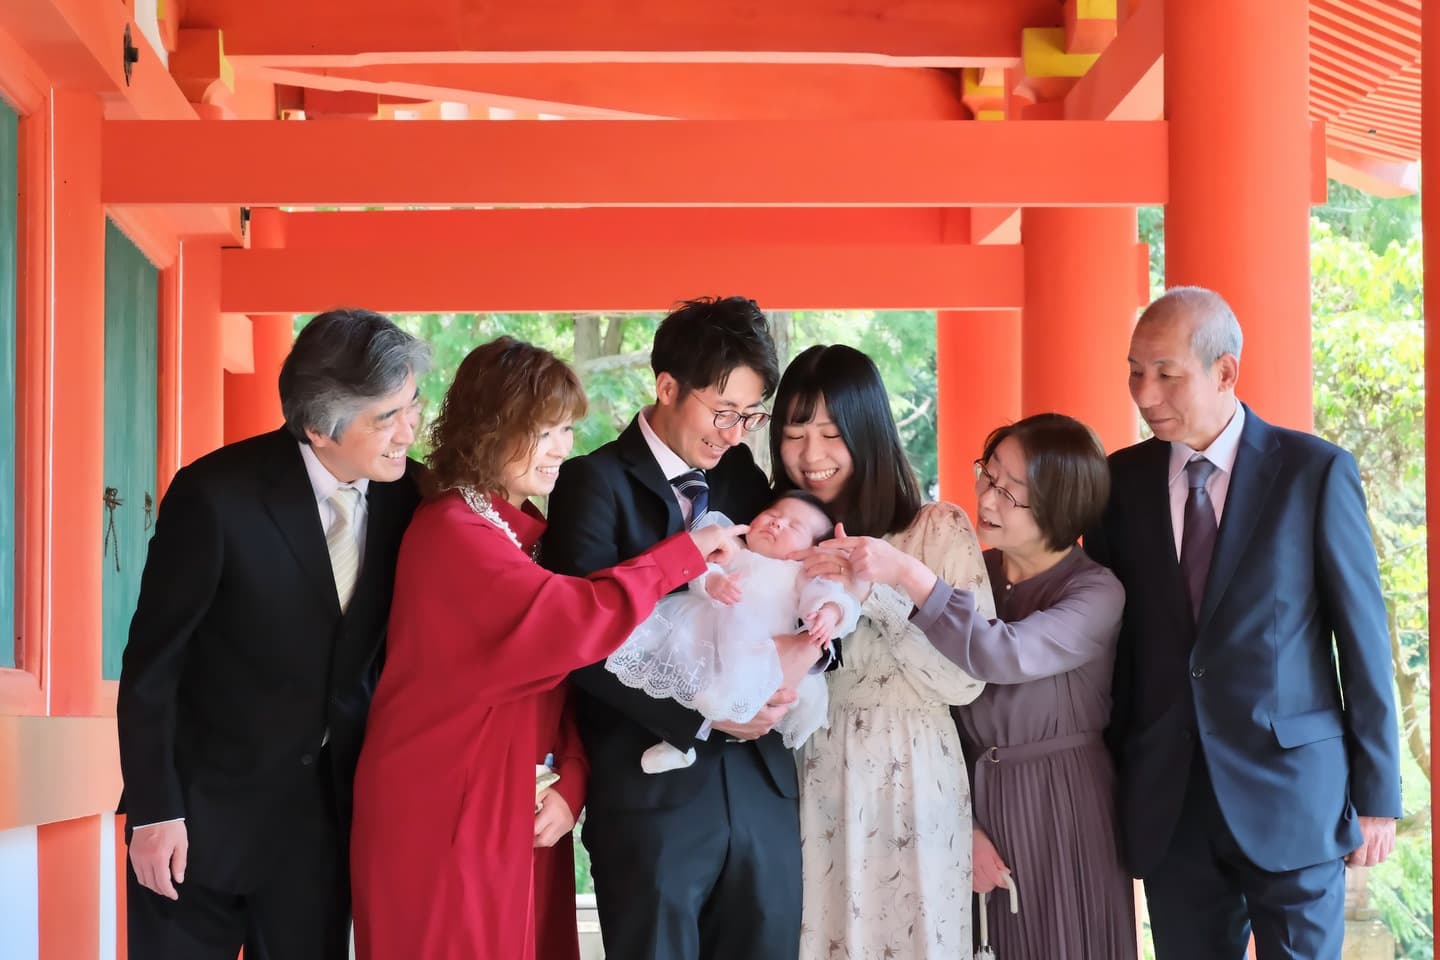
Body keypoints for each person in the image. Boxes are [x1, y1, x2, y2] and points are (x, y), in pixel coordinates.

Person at [348, 337, 741, 960]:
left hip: (513, 803)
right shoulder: (454, 532)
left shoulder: (517, 533)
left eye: (566, 429)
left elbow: (559, 678)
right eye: (546, 430)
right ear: (492, 427)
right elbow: (574, 618)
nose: (563, 448)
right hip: (440, 808)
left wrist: (574, 784)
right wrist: (684, 554)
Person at [1085, 286, 1402, 959]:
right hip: (1170, 799)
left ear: (1225, 372)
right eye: (1135, 371)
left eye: (1166, 374)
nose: (1144, 395)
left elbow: (1363, 640)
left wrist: (1377, 795)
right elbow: (1112, 646)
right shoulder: (1119, 484)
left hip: (1294, 796)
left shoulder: (1313, 473)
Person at [116, 308, 431, 960]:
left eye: (412, 405)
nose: (410, 430)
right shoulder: (215, 495)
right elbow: (154, 665)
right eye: (386, 417)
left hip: (326, 833)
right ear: (319, 427)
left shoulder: (417, 500)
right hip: (197, 823)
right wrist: (154, 812)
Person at [544, 296, 816, 960]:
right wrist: (702, 716)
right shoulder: (593, 483)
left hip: (760, 790)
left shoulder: (747, 481)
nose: (735, 433)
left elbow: (803, 580)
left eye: (749, 416)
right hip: (654, 796)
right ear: (668, 387)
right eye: (724, 412)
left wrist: (799, 665)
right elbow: (578, 640)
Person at [826, 413, 1136, 959]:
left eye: (1010, 493)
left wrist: (908, 575)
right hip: (964, 787)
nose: (987, 501)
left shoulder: (1096, 591)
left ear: (1059, 506)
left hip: (1061, 801)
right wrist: (963, 823)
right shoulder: (975, 571)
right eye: (987, 476)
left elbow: (1001, 652)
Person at [778, 343, 994, 959]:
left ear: (868, 432)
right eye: (794, 433)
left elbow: (967, 680)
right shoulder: (780, 535)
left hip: (912, 775)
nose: (811, 456)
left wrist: (879, 593)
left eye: (830, 434)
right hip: (806, 772)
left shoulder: (936, 529)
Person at [605, 490, 861, 773]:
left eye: (794, 526)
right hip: (703, 633)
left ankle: (685, 744)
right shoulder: (733, 549)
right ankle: (678, 739)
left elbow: (831, 596)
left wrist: (829, 613)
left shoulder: (801, 573)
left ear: (812, 548)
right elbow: (703, 569)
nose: (777, 524)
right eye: (774, 515)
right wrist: (713, 583)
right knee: (662, 662)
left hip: (754, 648)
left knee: (721, 693)